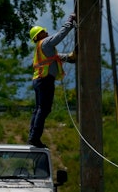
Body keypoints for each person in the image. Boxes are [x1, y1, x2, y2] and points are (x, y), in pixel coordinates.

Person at [27, 13, 77, 148]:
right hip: (45, 81)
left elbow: (54, 57)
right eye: (43, 31)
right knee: (43, 109)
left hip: (39, 80)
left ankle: (32, 136)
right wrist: (70, 22)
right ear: (38, 36)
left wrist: (69, 57)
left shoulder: (40, 47)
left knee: (39, 109)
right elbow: (60, 35)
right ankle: (34, 138)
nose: (47, 32)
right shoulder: (46, 42)